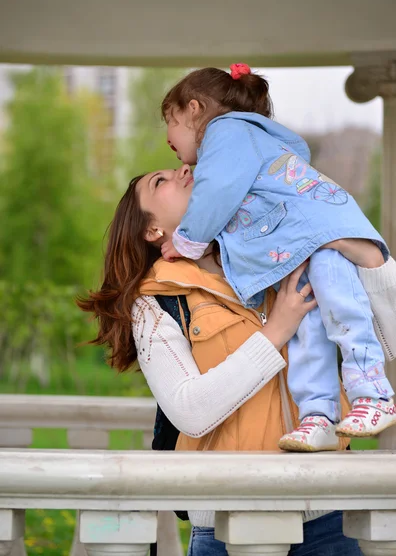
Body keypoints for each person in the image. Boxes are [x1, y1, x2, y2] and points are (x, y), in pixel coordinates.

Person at [77, 165, 396, 556]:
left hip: (331, 517)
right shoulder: (156, 302)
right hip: (226, 527)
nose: (182, 171)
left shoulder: (283, 251)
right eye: (159, 182)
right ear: (152, 230)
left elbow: (384, 340)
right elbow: (190, 410)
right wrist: (277, 330)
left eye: (181, 168)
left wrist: (365, 253)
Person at [159, 64, 396, 451]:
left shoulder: (226, 132)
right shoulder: (249, 139)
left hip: (322, 236)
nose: (170, 142)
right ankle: (317, 414)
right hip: (301, 245)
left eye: (169, 123)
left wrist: (187, 241)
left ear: (193, 109)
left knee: (342, 311)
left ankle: (372, 393)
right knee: (309, 327)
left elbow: (215, 193)